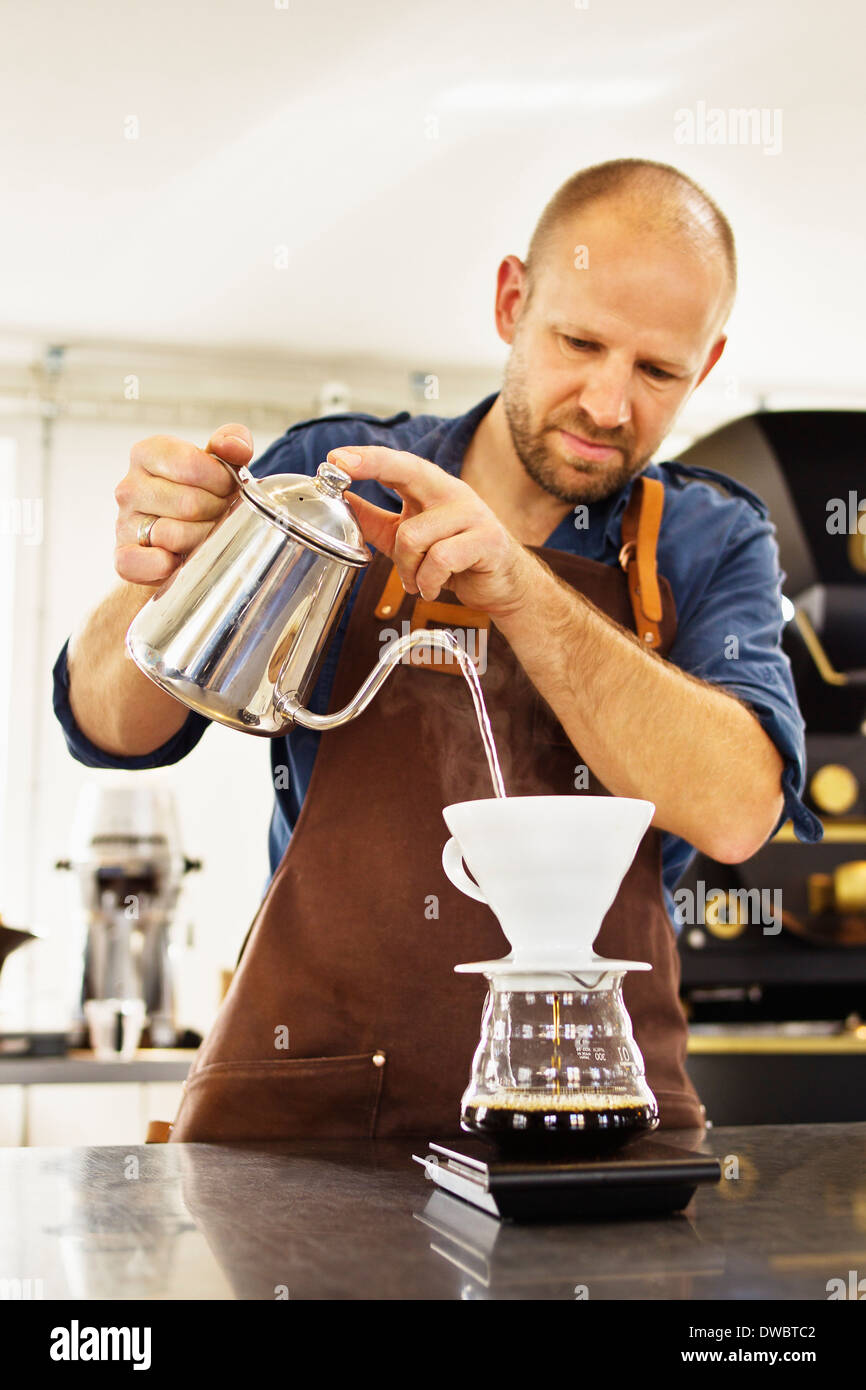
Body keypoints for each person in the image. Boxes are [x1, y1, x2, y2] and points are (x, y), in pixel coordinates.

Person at [53, 158, 821, 1143]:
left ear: (704, 368)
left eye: (656, 371)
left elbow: (734, 810)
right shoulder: (335, 476)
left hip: (591, 1113)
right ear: (511, 301)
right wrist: (162, 571)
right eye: (578, 341)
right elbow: (109, 725)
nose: (605, 402)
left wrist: (516, 587)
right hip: (306, 1127)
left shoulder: (708, 542)